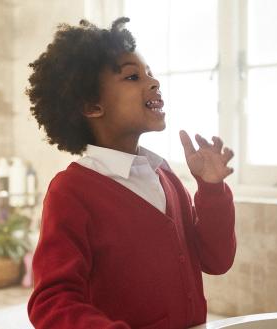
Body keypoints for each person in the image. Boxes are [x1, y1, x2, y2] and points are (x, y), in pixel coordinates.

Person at [25, 17, 236, 329]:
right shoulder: (71, 191)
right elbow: (51, 301)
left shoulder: (165, 177)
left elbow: (216, 260)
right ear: (92, 105)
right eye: (133, 77)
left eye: (150, 73)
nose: (153, 82)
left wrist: (211, 189)